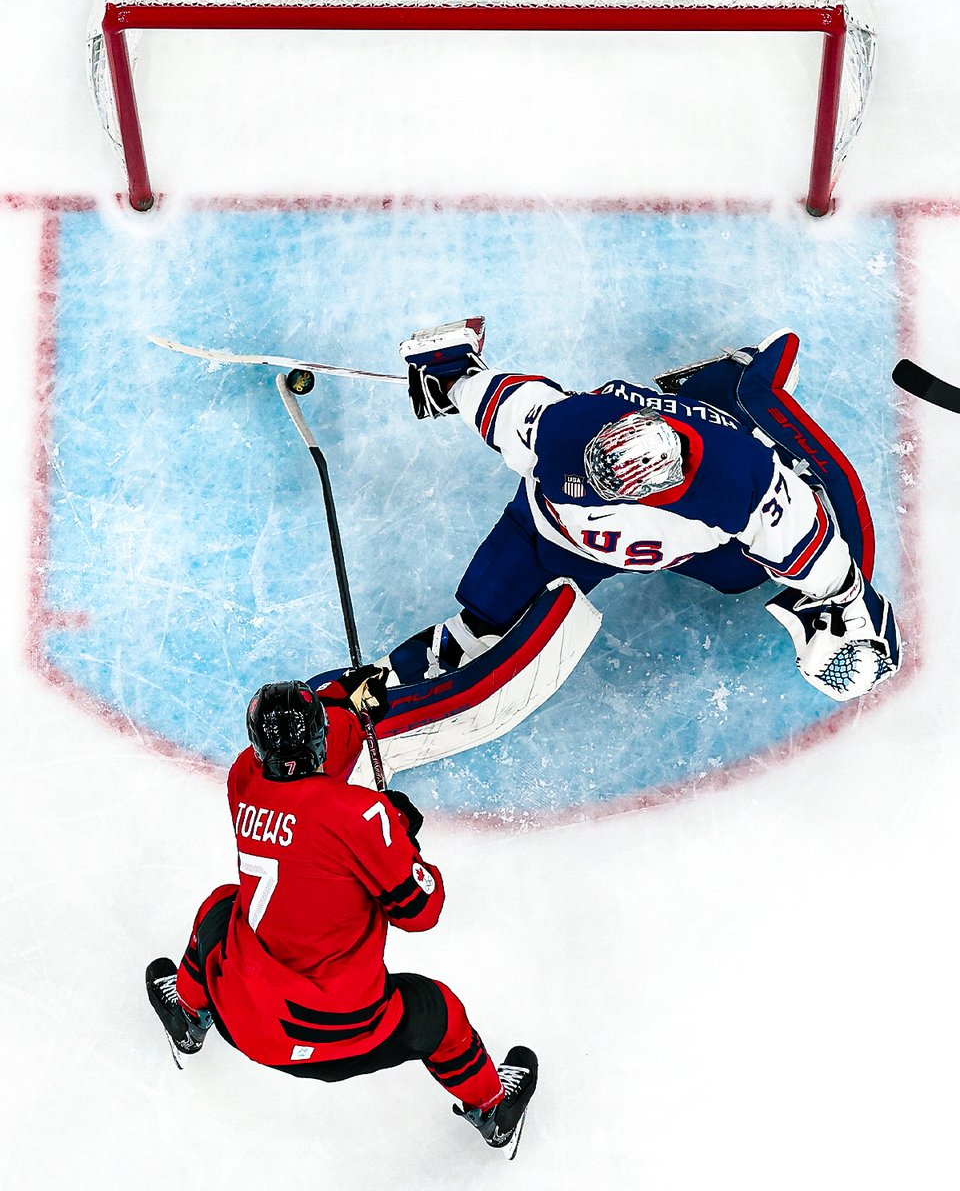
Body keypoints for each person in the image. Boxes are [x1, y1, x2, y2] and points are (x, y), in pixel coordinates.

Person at [385, 318, 901, 704]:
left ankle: (734, 399)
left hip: (691, 541)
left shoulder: (737, 483)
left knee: (744, 576)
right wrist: (452, 373)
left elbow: (810, 545)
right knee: (489, 620)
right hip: (551, 537)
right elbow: (492, 397)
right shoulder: (553, 427)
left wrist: (850, 607)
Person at [145, 667, 537, 1154]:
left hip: (243, 1017)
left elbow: (307, 785)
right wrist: (403, 840)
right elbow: (421, 910)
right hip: (341, 1032)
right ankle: (493, 1109)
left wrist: (342, 700)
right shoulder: (362, 817)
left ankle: (189, 1013)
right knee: (441, 1015)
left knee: (221, 907)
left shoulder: (244, 779)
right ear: (318, 738)